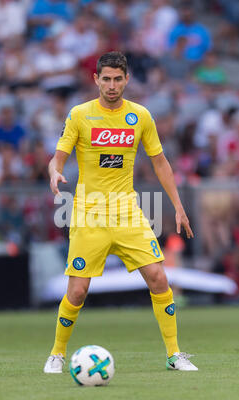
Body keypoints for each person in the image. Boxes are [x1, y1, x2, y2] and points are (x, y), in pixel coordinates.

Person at [44, 51, 198, 373]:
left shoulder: (140, 116)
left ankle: (174, 354)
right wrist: (54, 172)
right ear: (96, 79)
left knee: (158, 277)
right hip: (90, 214)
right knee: (77, 290)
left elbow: (160, 162)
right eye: (106, 79)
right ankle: (57, 354)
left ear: (126, 80)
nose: (112, 86)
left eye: (118, 79)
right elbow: (58, 156)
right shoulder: (80, 115)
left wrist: (178, 206)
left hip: (127, 212)